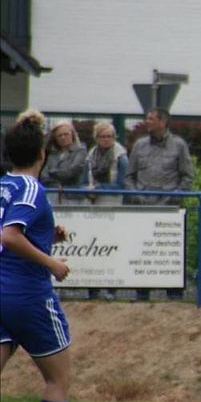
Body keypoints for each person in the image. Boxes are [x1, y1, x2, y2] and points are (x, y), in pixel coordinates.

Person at [0, 109, 88, 402]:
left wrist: (48, 233)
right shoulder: (31, 188)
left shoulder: (3, 186)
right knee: (57, 378)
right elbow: (9, 236)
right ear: (42, 154)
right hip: (28, 296)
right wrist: (52, 262)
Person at [125, 107, 194, 301]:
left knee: (170, 253)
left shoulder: (179, 145)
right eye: (147, 118)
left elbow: (188, 177)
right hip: (143, 209)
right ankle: (142, 293)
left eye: (151, 119)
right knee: (141, 250)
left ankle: (174, 295)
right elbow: (129, 177)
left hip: (169, 211)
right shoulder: (139, 145)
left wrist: (175, 197)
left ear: (163, 122)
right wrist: (135, 195)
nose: (147, 122)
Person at [80, 121, 128, 300]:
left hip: (113, 205)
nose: (106, 139)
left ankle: (111, 289)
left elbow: (122, 184)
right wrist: (87, 190)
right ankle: (92, 289)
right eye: (102, 136)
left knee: (112, 246)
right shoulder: (90, 155)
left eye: (110, 136)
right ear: (96, 138)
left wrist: (100, 188)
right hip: (93, 205)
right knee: (93, 246)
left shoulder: (121, 157)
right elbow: (83, 181)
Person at [39, 120, 87, 204]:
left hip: (73, 197)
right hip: (53, 195)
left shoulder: (80, 150)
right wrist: (55, 184)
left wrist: (52, 172)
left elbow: (71, 172)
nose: (63, 137)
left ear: (72, 135)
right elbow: (44, 175)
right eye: (59, 135)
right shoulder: (53, 154)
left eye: (66, 134)